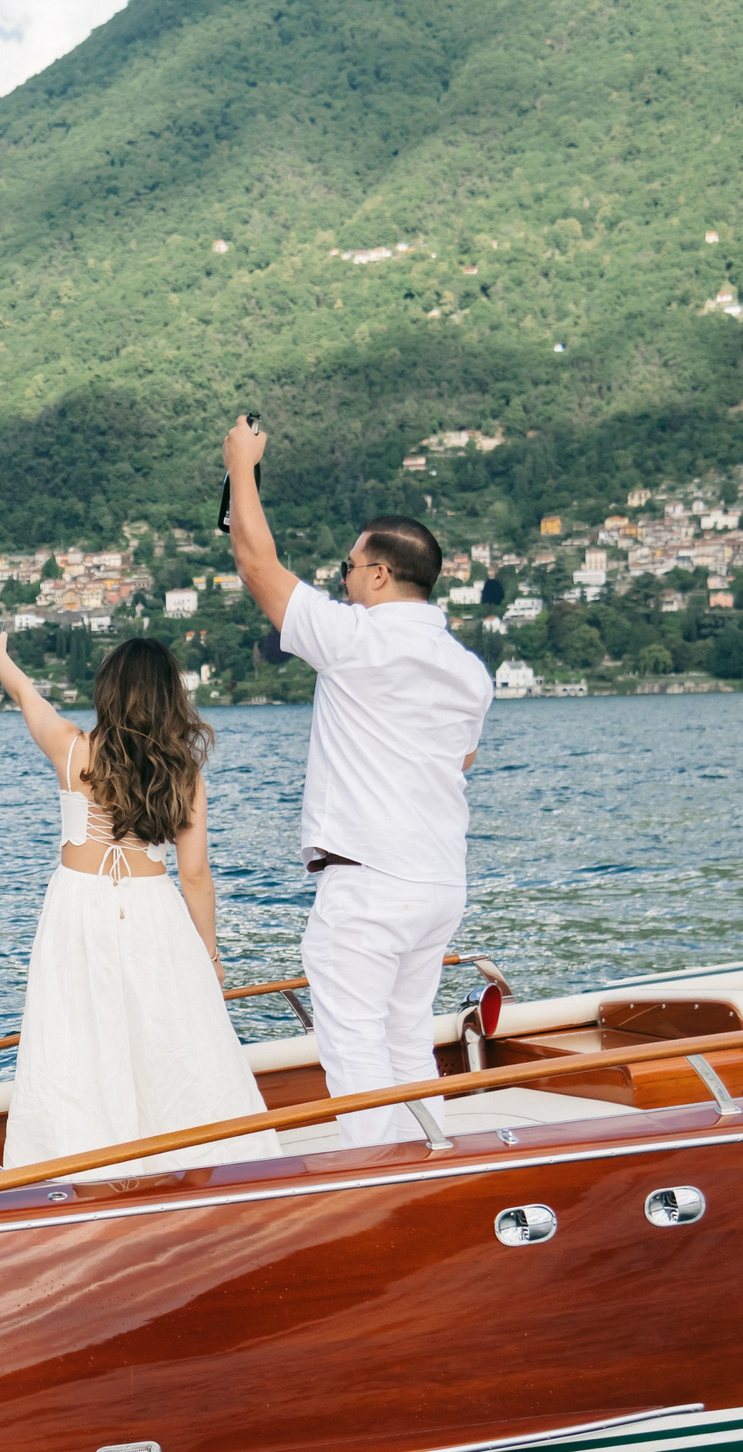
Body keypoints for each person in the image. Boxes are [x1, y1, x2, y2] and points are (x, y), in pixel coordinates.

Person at [223, 414, 495, 1147]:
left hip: (370, 881)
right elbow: (458, 762)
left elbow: (256, 564)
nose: (340, 580)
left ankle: (381, 1191)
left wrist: (241, 466)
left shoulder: (354, 639)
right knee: (406, 1041)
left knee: (353, 1048)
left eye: (346, 567)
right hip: (439, 879)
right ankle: (431, 1167)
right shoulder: (470, 672)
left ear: (379, 573)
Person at [0, 625, 274, 1178]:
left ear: (108, 692)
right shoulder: (184, 772)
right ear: (168, 699)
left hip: (77, 911)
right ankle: (187, 1169)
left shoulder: (71, 748)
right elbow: (196, 874)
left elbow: (25, 694)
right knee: (168, 1042)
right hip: (154, 910)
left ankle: (84, 1175)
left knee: (77, 1042)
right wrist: (209, 954)